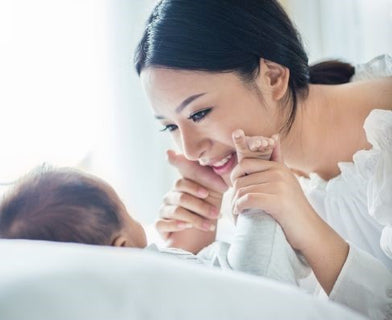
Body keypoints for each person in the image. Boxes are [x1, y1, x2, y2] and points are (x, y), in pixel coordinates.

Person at [134, 1, 392, 319]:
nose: (190, 150)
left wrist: (306, 225)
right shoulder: (258, 186)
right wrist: (199, 250)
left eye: (199, 113)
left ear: (272, 78)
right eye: (171, 126)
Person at [0, 134, 308, 286]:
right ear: (120, 248)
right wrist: (253, 191)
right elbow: (253, 279)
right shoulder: (147, 271)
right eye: (126, 210)